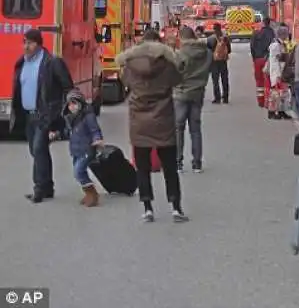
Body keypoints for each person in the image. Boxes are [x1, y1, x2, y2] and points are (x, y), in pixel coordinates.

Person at [117, 29, 187, 223]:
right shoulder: (166, 64)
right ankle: (175, 207)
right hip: (163, 119)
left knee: (142, 167)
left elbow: (125, 81)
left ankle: (148, 207)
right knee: (170, 166)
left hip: (139, 121)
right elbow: (178, 79)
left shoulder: (130, 64)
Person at [11, 28, 74, 203]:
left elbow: (67, 86)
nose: (26, 46)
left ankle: (39, 188)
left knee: (39, 148)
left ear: (39, 45)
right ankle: (47, 187)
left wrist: (65, 109)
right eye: (24, 42)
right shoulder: (22, 63)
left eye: (30, 43)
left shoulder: (52, 62)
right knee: (37, 150)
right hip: (28, 115)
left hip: (45, 114)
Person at [174, 26, 212, 173]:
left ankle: (178, 163)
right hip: (198, 93)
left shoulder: (180, 53)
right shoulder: (206, 53)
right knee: (195, 129)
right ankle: (197, 163)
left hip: (181, 93)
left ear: (182, 38)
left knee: (179, 129)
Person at [63, 89, 104, 207]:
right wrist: (56, 134)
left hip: (87, 149)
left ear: (80, 103)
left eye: (74, 103)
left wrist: (97, 139)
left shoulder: (88, 116)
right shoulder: (70, 118)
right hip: (75, 150)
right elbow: (67, 132)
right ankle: (89, 193)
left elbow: (95, 129)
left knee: (78, 172)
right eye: (70, 104)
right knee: (79, 173)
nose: (72, 107)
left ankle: (93, 194)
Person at [266, 25, 292, 119]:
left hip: (281, 71)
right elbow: (278, 57)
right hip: (277, 71)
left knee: (283, 93)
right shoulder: (275, 45)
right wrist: (288, 56)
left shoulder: (280, 44)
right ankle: (271, 111)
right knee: (275, 93)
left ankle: (281, 111)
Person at [250, 17, 275, 108]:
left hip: (257, 60)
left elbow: (252, 47)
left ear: (262, 23)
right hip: (267, 60)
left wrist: (254, 58)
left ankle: (261, 101)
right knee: (268, 81)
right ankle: (268, 102)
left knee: (259, 82)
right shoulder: (272, 33)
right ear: (269, 23)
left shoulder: (256, 34)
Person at [207, 23, 232, 104]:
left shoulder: (210, 39)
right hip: (223, 61)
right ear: (220, 28)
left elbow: (208, 52)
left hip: (214, 62)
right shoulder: (225, 38)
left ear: (214, 29)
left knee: (215, 80)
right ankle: (225, 98)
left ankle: (217, 98)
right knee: (225, 79)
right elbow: (229, 50)